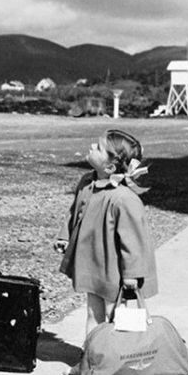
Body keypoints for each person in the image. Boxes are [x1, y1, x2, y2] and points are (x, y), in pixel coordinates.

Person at [54, 130, 157, 346]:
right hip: (92, 267)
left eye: (99, 148)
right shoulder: (86, 183)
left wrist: (133, 274)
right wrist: (65, 235)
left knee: (115, 320)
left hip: (115, 274)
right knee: (93, 315)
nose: (92, 146)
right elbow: (75, 212)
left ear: (109, 167)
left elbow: (135, 241)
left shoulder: (123, 199)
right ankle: (91, 361)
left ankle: (114, 363)